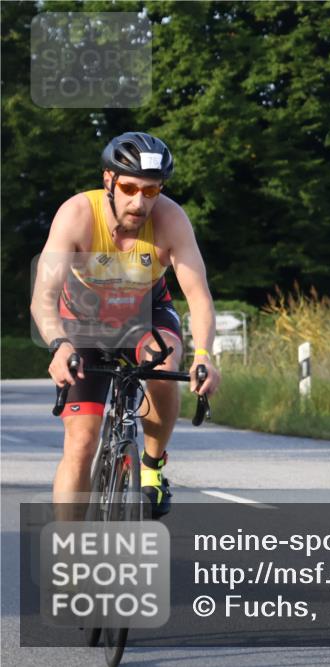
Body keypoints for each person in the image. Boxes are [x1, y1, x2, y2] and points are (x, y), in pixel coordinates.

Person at [30, 131, 221, 518]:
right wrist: (58, 345)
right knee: (82, 443)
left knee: (166, 366)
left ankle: (151, 467)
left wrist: (205, 355)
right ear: (108, 181)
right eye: (130, 188)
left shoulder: (171, 220)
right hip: (83, 322)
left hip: (144, 315)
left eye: (151, 191)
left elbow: (199, 296)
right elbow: (43, 297)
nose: (139, 202)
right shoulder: (77, 215)